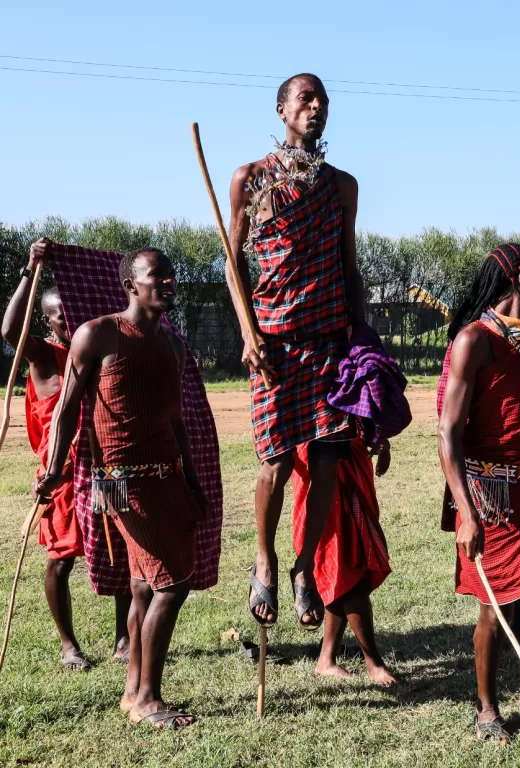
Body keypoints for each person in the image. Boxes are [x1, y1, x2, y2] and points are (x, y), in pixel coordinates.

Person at [37, 249, 209, 728]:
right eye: (158, 275)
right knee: (172, 586)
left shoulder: (173, 347)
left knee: (141, 586)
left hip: (165, 476)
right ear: (132, 285)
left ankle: (133, 690)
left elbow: (175, 421)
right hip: (115, 480)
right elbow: (69, 407)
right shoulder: (98, 334)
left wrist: (192, 481)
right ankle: (148, 700)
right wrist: (53, 469)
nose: (169, 281)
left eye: (173, 274)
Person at [227, 73, 366, 632]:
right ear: (282, 109)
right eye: (305, 99)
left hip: (329, 340)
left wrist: (361, 338)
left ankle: (305, 568)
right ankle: (266, 561)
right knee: (277, 462)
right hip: (274, 345)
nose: (316, 107)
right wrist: (247, 332)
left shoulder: (341, 186)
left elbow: (349, 267)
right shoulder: (252, 179)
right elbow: (234, 263)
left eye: (323, 100)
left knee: (329, 459)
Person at [437, 243, 520, 754]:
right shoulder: (475, 340)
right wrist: (465, 512)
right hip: (490, 495)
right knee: (497, 610)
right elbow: (448, 432)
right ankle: (487, 705)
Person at [1, 237, 130, 670]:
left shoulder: (99, 354)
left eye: (74, 315)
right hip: (61, 476)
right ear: (49, 322)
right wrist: (29, 270)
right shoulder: (45, 358)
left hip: (107, 469)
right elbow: (8, 332)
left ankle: (124, 638)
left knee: (123, 551)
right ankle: (68, 645)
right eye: (61, 318)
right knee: (60, 561)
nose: (71, 323)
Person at [294, 438, 399, 687]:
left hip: (352, 451)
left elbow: (366, 400)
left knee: (343, 566)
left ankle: (326, 658)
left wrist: (379, 437)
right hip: (320, 458)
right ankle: (373, 662)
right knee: (348, 561)